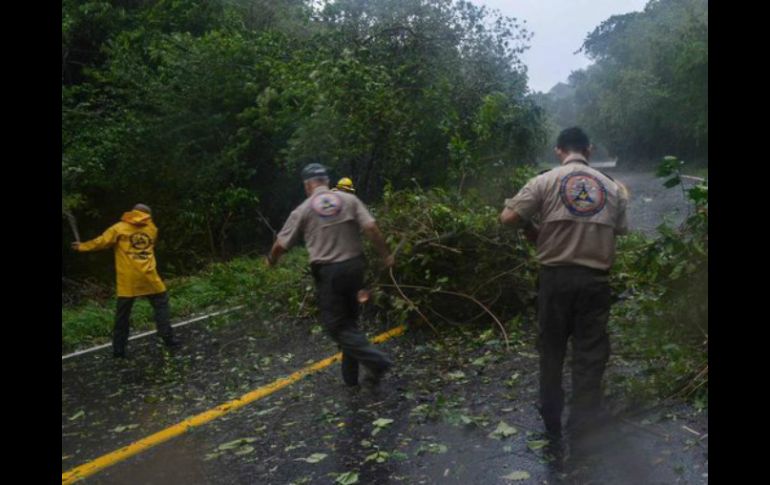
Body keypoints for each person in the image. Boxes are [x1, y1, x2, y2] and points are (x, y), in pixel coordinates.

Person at [499, 127, 629, 450]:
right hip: (595, 281)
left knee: (552, 349)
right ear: (590, 149)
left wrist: (534, 231)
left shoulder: (544, 181)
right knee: (590, 353)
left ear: (559, 151)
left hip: (555, 280)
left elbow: (508, 217)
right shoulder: (613, 188)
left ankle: (551, 421)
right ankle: (583, 424)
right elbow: (620, 230)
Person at [266, 163, 394, 387]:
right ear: (326, 181)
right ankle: (351, 379)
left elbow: (280, 245)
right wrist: (386, 255)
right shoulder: (350, 200)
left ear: (308, 185)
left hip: (330, 274)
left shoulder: (303, 209)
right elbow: (371, 227)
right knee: (350, 323)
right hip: (355, 268)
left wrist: (271, 261)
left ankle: (377, 361)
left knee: (336, 326)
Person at [72, 204, 180, 357]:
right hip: (149, 276)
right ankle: (168, 338)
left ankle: (119, 349)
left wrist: (82, 247)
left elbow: (101, 242)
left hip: (128, 279)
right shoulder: (152, 229)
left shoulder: (119, 228)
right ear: (147, 215)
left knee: (123, 315)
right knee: (161, 306)